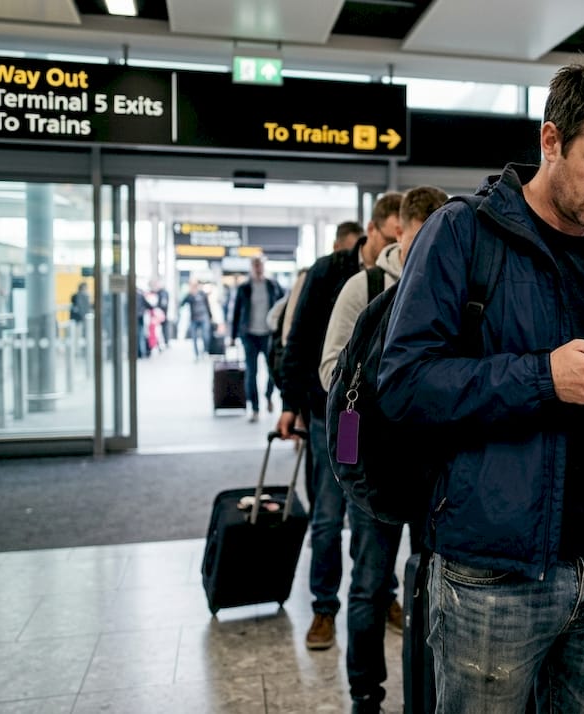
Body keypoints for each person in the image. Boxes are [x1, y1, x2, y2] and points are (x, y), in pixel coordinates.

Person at [377, 57, 584, 713]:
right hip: (490, 574)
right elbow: (405, 385)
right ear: (550, 141)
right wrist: (543, 377)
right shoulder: (463, 234)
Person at [318, 185, 448, 713]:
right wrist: (390, 388)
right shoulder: (364, 287)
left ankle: (430, 692)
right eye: (424, 238)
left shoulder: (454, 290)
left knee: (438, 583)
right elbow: (332, 372)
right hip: (377, 465)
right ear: (402, 230)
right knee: (371, 583)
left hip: (437, 469)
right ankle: (365, 696)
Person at [277, 196, 403, 652]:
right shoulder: (329, 273)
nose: (399, 242)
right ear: (375, 230)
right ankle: (323, 608)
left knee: (375, 516)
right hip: (329, 416)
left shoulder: (410, 279)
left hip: (380, 428)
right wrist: (291, 403)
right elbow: (298, 342)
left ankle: (382, 595)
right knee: (328, 517)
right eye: (392, 236)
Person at [230, 256, 284, 420]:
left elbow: (283, 307)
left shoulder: (272, 285)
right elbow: (237, 313)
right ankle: (254, 407)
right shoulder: (244, 288)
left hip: (268, 334)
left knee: (273, 371)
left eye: (260, 265)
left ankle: (268, 396)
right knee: (251, 371)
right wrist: (232, 336)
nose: (258, 268)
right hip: (249, 335)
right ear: (251, 268)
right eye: (255, 265)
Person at [181, 279, 213, 360]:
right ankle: (196, 354)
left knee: (205, 335)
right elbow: (182, 303)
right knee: (194, 337)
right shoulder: (189, 295)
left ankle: (205, 351)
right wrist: (189, 294)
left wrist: (210, 316)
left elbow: (207, 305)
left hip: (204, 317)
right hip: (194, 319)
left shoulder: (202, 294)